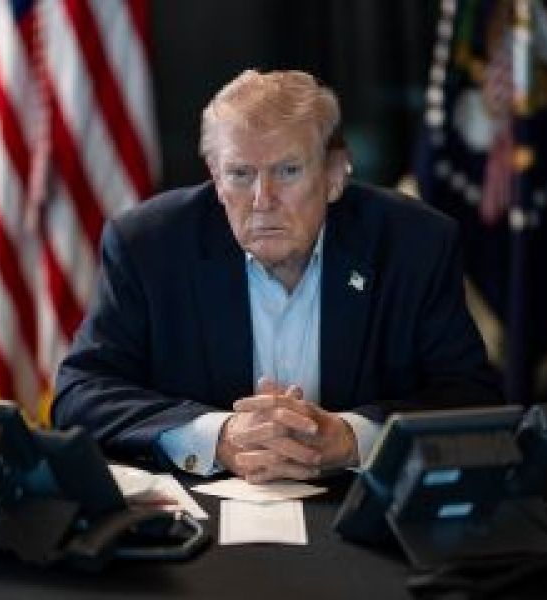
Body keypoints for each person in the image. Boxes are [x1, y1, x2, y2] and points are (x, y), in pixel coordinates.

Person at [52, 69, 500, 483]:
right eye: (241, 174)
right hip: (203, 517)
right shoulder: (148, 245)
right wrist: (217, 435)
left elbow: (472, 396)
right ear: (216, 178)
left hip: (359, 515)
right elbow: (80, 393)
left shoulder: (414, 244)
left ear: (334, 174)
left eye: (288, 171)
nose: (263, 199)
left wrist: (352, 437)